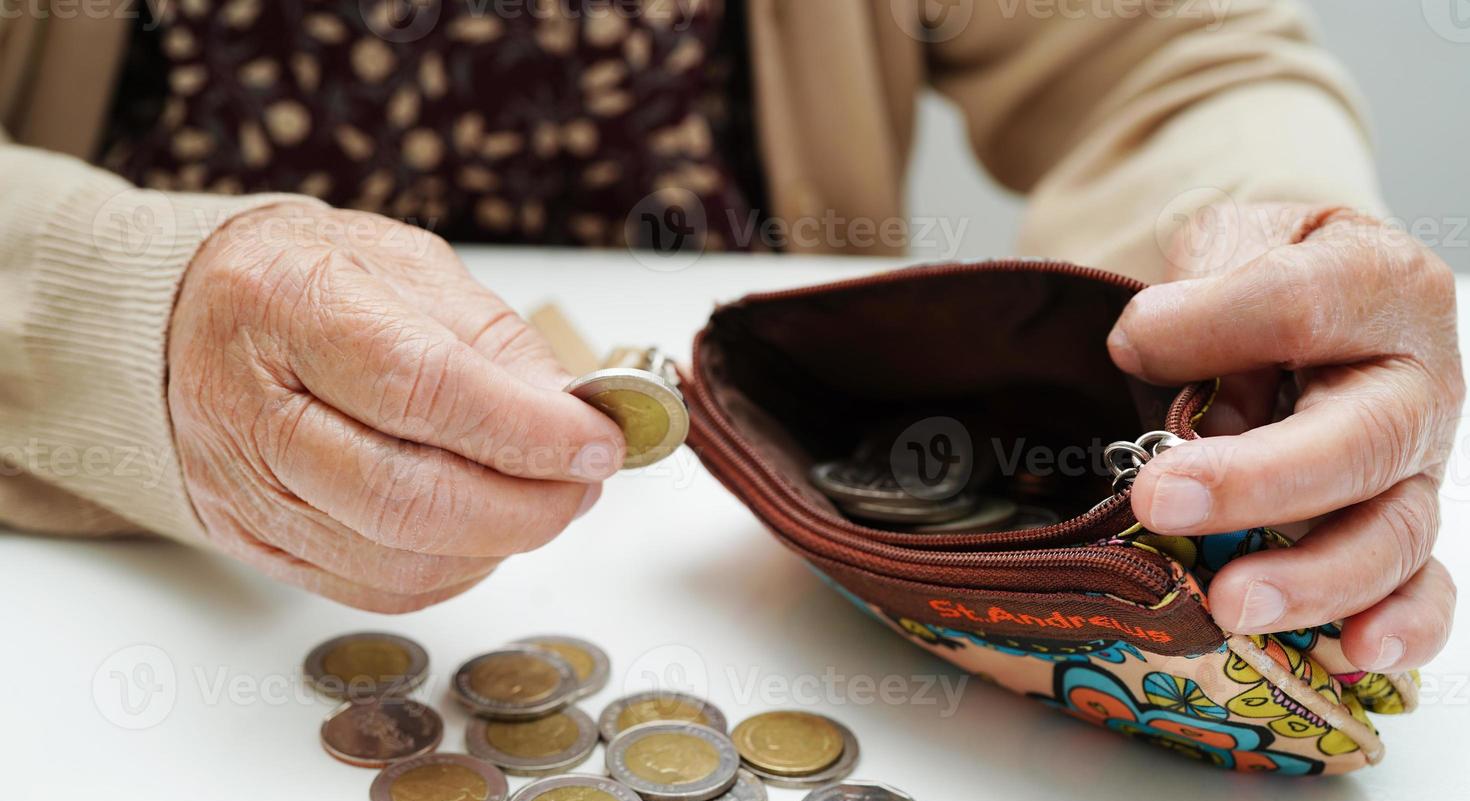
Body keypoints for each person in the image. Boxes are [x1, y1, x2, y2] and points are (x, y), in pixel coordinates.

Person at [0, 1, 1459, 679]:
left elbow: (1163, 52)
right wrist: (121, 312)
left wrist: (1270, 261)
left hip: (752, 572)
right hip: (103, 589)